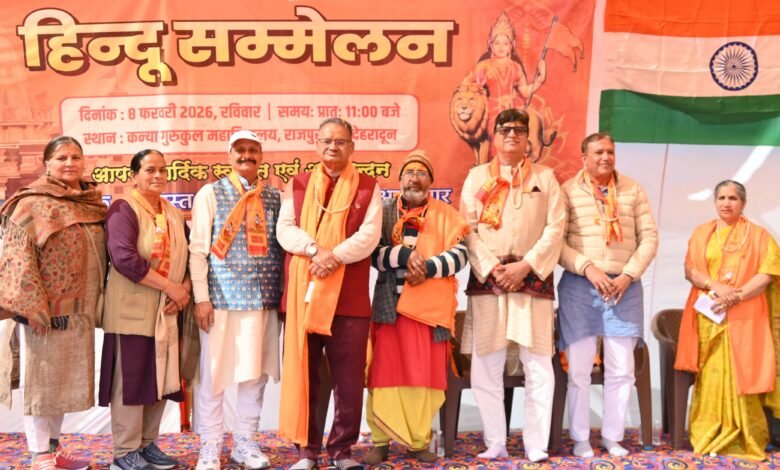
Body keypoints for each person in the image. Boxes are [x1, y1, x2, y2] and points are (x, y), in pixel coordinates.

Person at [459, 108, 564, 462]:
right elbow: (466, 228)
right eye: (505, 129)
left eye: (519, 130)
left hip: (531, 278)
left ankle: (535, 443)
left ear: (528, 138)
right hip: (490, 280)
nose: (512, 135)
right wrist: (492, 267)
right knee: (486, 363)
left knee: (538, 364)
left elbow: (556, 228)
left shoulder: (545, 178)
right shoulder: (476, 177)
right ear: (495, 136)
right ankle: (496, 442)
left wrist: (526, 265)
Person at [277, 118, 381, 470]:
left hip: (349, 299)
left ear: (352, 147)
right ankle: (307, 451)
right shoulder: (298, 184)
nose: (333, 146)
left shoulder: (368, 186)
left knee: (348, 380)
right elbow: (284, 230)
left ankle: (341, 450)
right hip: (305, 295)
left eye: (340, 141)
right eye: (326, 141)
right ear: (316, 145)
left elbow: (369, 236)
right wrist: (314, 251)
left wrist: (332, 257)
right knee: (305, 375)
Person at [0, 136, 107, 470]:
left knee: (61, 384)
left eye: (75, 157)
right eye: (61, 158)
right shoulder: (31, 203)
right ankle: (39, 456)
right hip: (44, 314)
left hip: (78, 314)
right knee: (41, 385)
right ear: (46, 163)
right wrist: (32, 308)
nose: (69, 163)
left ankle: (54, 450)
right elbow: (18, 257)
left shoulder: (90, 202)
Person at [363, 150, 471, 465]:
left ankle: (418, 442)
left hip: (429, 314)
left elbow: (461, 255)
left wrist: (427, 267)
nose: (415, 178)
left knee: (425, 379)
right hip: (390, 310)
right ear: (400, 180)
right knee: (383, 377)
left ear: (431, 181)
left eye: (422, 173)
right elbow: (372, 254)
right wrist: (403, 255)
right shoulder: (384, 213)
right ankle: (380, 441)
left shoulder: (446, 214)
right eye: (409, 172)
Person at [557, 133, 658, 457]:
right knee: (579, 369)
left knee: (622, 369)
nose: (605, 157)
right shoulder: (568, 191)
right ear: (584, 158)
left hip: (624, 288)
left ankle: (613, 436)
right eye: (598, 152)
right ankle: (580, 437)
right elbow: (557, 242)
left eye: (610, 152)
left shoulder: (632, 189)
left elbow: (650, 237)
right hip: (580, 286)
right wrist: (588, 268)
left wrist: (628, 274)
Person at [188, 130, 283, 470]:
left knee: (255, 377)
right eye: (239, 150)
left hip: (263, 299)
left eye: (253, 150)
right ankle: (210, 446)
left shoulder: (275, 197)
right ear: (229, 156)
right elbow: (198, 250)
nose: (246, 155)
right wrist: (201, 297)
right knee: (214, 377)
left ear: (261, 157)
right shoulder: (210, 193)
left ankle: (245, 443)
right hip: (221, 299)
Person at [98, 149, 191, 470]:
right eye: (150, 170)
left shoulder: (173, 212)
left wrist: (184, 290)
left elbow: (189, 257)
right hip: (131, 312)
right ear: (133, 175)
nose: (158, 176)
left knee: (160, 379)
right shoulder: (123, 209)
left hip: (167, 312)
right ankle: (125, 451)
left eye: (162, 170)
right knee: (131, 382)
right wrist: (171, 288)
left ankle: (147, 444)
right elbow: (124, 258)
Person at [675, 180, 780, 461]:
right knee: (711, 376)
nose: (726, 203)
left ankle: (746, 436)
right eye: (721, 198)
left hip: (746, 317)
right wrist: (715, 286)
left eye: (733, 198)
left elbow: (768, 274)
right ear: (715, 202)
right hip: (710, 317)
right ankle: (709, 432)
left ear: (743, 203)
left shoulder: (759, 236)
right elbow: (690, 270)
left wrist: (736, 296)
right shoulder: (702, 234)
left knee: (743, 372)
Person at [463, 12, 546, 135]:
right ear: (490, 44)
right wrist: (478, 93)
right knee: (496, 138)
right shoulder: (483, 66)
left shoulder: (516, 67)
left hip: (512, 111)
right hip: (490, 113)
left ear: (511, 45)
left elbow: (525, 92)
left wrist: (540, 79)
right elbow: (465, 86)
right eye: (497, 43)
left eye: (505, 43)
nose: (501, 47)